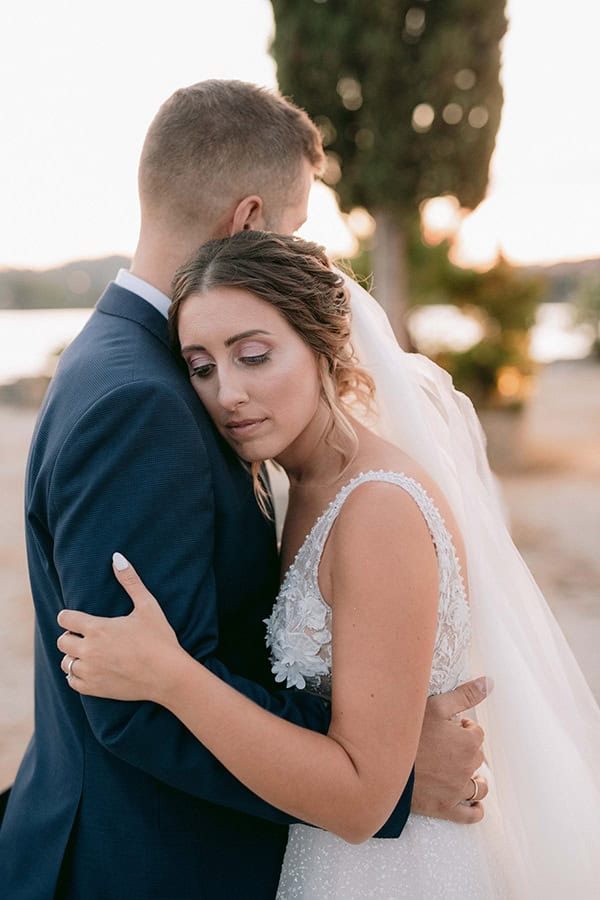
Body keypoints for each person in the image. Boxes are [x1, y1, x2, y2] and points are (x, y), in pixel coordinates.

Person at [0, 82, 488, 900]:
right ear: (250, 223)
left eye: (251, 356)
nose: (228, 390)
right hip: (150, 865)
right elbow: (133, 705)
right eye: (292, 233)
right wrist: (398, 770)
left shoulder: (129, 363)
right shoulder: (142, 398)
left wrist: (377, 754)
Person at [55, 230, 600, 897]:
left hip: (394, 869)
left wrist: (171, 675)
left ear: (323, 347)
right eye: (201, 367)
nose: (227, 393)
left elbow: (364, 800)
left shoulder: (378, 507)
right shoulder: (304, 486)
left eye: (253, 356)